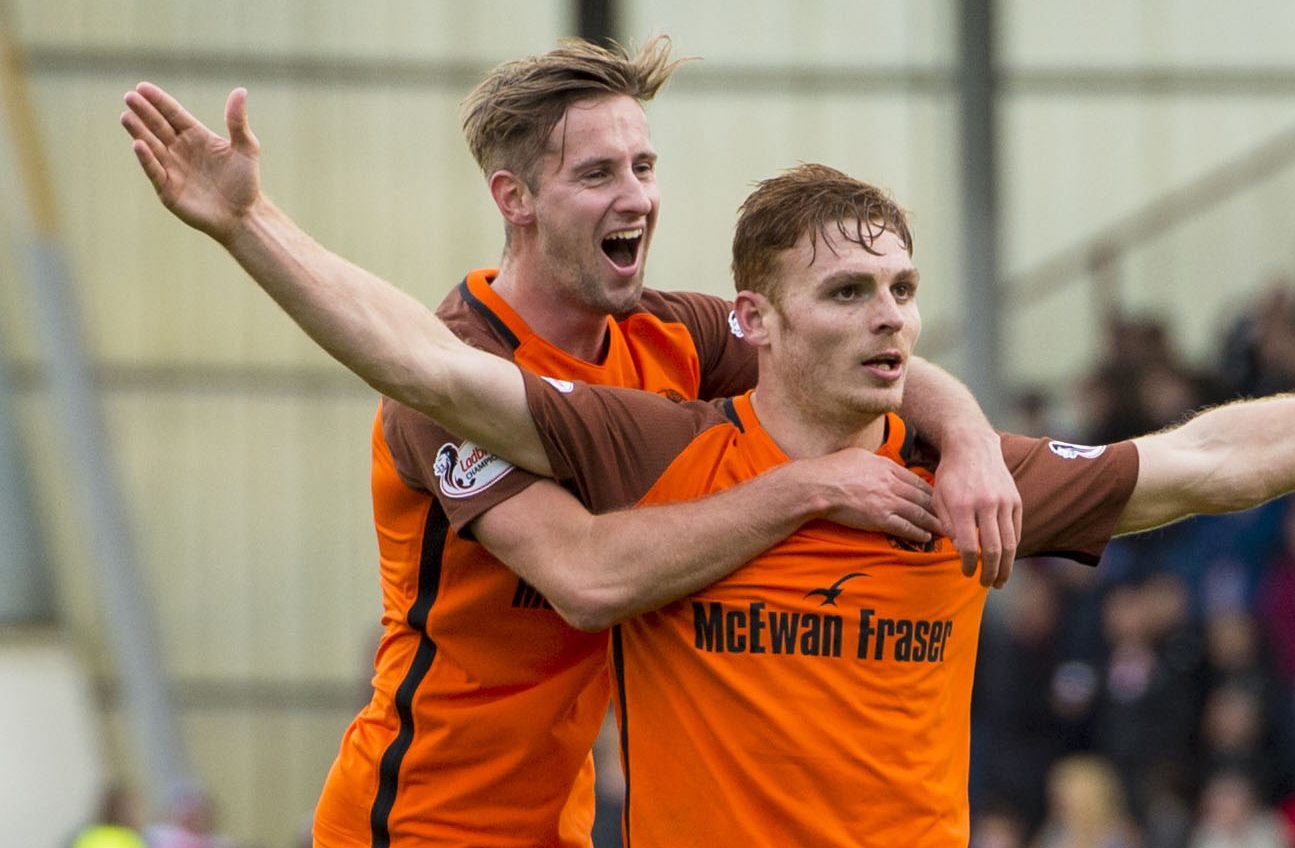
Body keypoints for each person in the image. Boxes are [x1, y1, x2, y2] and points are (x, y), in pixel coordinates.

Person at [127, 79, 1295, 844]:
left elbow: (1214, 460)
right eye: (853, 295)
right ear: (759, 322)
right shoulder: (650, 447)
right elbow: (436, 388)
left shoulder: (962, 471)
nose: (892, 318)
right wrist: (250, 225)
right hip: (425, 820)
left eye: (905, 292)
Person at [120, 39, 1023, 848]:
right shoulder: (448, 385)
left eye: (644, 165)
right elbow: (591, 582)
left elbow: (849, 350)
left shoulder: (673, 335)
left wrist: (971, 440)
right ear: (514, 198)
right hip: (422, 821)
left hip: (567, 820)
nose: (637, 197)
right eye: (598, 175)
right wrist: (812, 487)